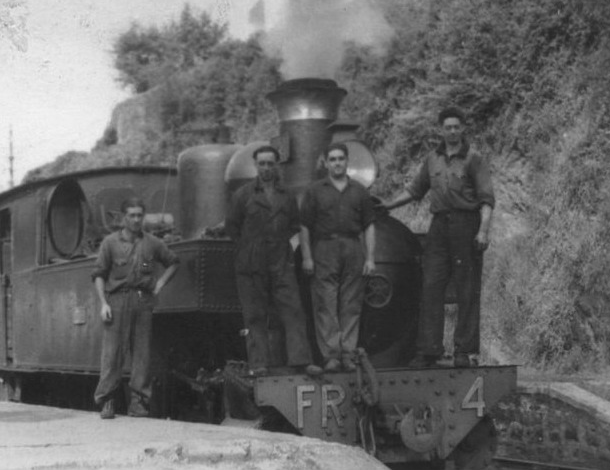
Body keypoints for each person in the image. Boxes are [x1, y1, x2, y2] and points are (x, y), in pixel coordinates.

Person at [380, 107, 495, 368]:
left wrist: (483, 230)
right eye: (448, 127)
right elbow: (415, 190)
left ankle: (463, 352)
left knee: (466, 289)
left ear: (463, 128)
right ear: (441, 129)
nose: (452, 131)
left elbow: (487, 199)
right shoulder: (432, 159)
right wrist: (388, 206)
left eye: (457, 126)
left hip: (467, 225)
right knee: (430, 285)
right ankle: (429, 349)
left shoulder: (474, 159)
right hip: (439, 226)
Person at [225, 145, 322, 377]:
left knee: (294, 311)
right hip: (251, 263)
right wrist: (248, 250)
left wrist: (279, 247)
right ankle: (258, 364)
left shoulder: (287, 196)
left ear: (276, 165)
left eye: (270, 163)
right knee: (255, 315)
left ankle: (301, 361)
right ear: (256, 165)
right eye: (262, 164)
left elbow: (294, 225)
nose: (266, 168)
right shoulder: (243, 195)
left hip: (281, 260)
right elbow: (232, 227)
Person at [92, 197, 179, 419]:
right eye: (131, 215)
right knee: (112, 354)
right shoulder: (110, 243)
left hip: (143, 302)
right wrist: (103, 304)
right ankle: (107, 401)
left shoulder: (152, 243)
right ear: (123, 218)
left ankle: (139, 404)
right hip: (117, 301)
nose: (136, 219)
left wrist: (159, 284)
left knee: (142, 354)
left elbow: (173, 261)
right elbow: (99, 275)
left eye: (140, 215)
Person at [300, 142, 376, 373]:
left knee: (351, 304)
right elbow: (305, 227)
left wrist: (370, 258)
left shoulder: (360, 191)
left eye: (340, 158)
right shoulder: (315, 191)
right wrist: (307, 257)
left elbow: (369, 226)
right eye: (332, 159)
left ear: (347, 161)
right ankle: (331, 356)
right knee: (326, 303)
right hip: (324, 247)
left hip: (353, 246)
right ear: (326, 163)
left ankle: (348, 354)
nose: (337, 163)